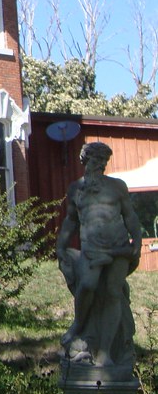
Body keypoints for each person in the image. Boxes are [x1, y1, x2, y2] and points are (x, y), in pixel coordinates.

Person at [57, 142, 141, 368]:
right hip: (92, 249)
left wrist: (138, 242)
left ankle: (105, 352)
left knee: (114, 292)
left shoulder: (117, 186)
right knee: (88, 285)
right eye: (96, 160)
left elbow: (130, 216)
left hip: (119, 246)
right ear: (85, 162)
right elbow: (70, 221)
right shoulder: (76, 189)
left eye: (104, 161)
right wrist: (60, 246)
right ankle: (78, 325)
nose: (101, 165)